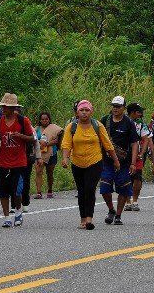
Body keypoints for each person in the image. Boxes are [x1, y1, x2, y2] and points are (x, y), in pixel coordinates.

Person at [60, 100, 119, 230]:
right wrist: (65, 158)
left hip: (95, 161)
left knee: (90, 188)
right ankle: (82, 218)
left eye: (87, 110)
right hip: (77, 162)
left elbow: (107, 144)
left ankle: (89, 219)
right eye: (82, 110)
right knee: (81, 191)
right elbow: (66, 144)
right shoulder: (72, 126)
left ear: (91, 112)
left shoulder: (98, 125)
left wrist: (115, 160)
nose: (84, 113)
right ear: (77, 112)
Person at [0, 93, 36, 228]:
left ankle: (18, 212)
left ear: (14, 108)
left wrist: (20, 136)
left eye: (7, 107)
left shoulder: (22, 121)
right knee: (3, 191)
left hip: (19, 161)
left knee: (16, 190)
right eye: (3, 106)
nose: (4, 109)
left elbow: (32, 139)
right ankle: (6, 217)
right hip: (3, 161)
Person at [99, 95, 140, 225]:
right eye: (114, 106)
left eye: (118, 106)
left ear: (124, 108)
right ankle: (111, 209)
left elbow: (134, 143)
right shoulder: (105, 121)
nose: (115, 109)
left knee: (123, 187)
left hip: (124, 162)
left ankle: (118, 215)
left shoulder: (129, 123)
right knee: (105, 187)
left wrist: (133, 163)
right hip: (107, 161)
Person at [127, 103, 152, 208]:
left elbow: (146, 138)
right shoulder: (123, 122)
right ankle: (127, 201)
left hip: (138, 155)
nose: (140, 114)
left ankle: (135, 201)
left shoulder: (141, 124)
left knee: (138, 177)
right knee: (126, 178)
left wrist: (142, 153)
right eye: (138, 112)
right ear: (132, 112)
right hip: (124, 154)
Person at [34, 112, 62, 200]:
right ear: (40, 120)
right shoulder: (36, 129)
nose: (44, 121)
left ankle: (50, 190)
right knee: (38, 172)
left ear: (49, 120)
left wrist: (46, 143)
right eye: (42, 119)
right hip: (40, 154)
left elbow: (57, 140)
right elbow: (33, 139)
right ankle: (39, 192)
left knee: (49, 173)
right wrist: (40, 143)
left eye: (46, 119)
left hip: (52, 153)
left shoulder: (54, 128)